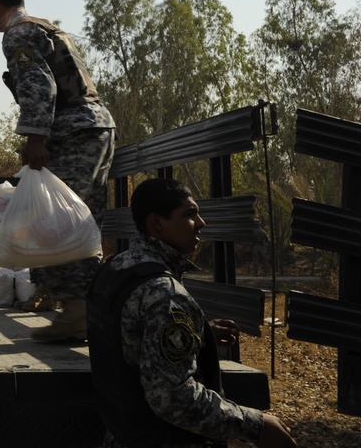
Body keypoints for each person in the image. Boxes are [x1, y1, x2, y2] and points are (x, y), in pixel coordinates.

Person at [86, 177, 296, 448]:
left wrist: (198, 333)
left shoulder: (115, 268)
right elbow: (172, 397)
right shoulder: (164, 294)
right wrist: (256, 426)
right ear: (157, 223)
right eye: (189, 214)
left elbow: (129, 337)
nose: (201, 223)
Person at [0, 0, 115, 341]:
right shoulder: (47, 28)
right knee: (83, 222)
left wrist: (34, 137)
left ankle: (76, 312)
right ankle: (82, 308)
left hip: (73, 132)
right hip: (96, 126)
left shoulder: (18, 33)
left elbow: (39, 85)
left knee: (58, 223)